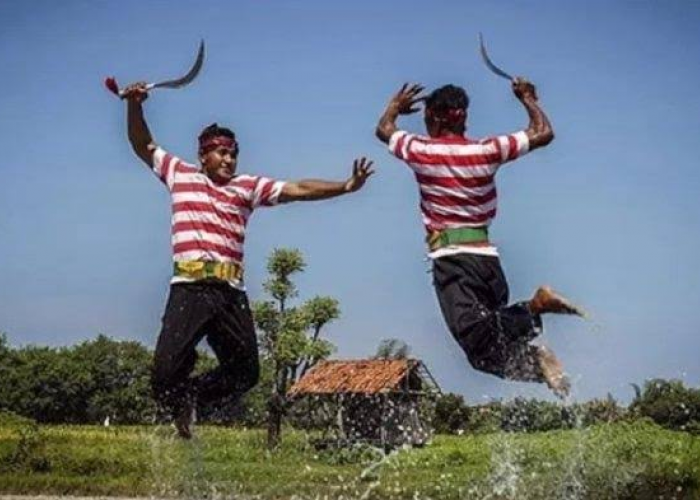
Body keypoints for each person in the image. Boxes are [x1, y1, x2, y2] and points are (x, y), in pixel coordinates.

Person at [121, 82, 374, 438]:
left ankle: (193, 400)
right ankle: (178, 401)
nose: (228, 159)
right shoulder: (180, 174)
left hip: (229, 293)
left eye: (233, 154)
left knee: (246, 373)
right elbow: (141, 144)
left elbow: (298, 189)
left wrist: (346, 186)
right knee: (163, 377)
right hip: (190, 289)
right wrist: (134, 104)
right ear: (203, 155)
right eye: (221, 153)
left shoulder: (247, 187)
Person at [375, 79, 584, 397]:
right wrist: (527, 98)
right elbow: (543, 132)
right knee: (486, 352)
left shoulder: (421, 150)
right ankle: (540, 365)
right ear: (463, 117)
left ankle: (535, 306)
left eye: (426, 117)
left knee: (474, 338)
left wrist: (395, 107)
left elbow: (383, 130)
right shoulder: (487, 150)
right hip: (488, 263)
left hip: (453, 260)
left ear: (435, 116)